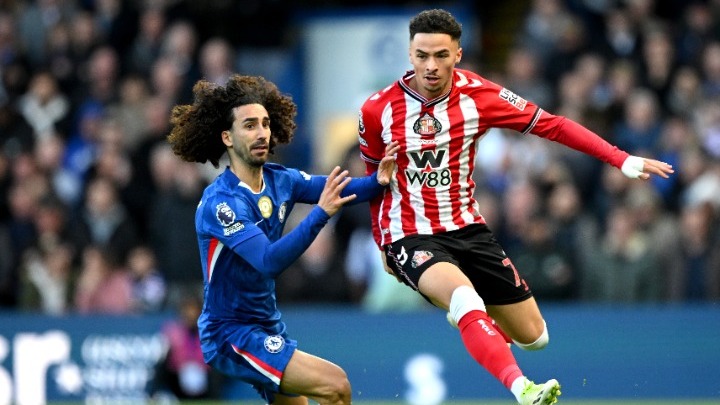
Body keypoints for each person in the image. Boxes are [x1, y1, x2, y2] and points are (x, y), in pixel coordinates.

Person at [356, 9, 675, 405]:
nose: (430, 65)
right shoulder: (377, 110)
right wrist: (382, 242)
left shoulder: (480, 95)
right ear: (410, 54)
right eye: (422, 55)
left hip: (466, 227)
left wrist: (620, 158)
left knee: (535, 337)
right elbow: (375, 179)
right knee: (464, 298)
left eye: (441, 55)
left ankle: (471, 320)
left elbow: (552, 124)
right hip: (409, 234)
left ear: (458, 54)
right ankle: (522, 387)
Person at [167, 74, 399, 405]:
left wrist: (378, 180)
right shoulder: (221, 203)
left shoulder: (281, 180)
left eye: (265, 124)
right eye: (249, 125)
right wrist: (320, 214)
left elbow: (339, 189)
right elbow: (268, 261)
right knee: (336, 385)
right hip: (231, 332)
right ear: (227, 137)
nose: (262, 132)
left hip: (267, 324)